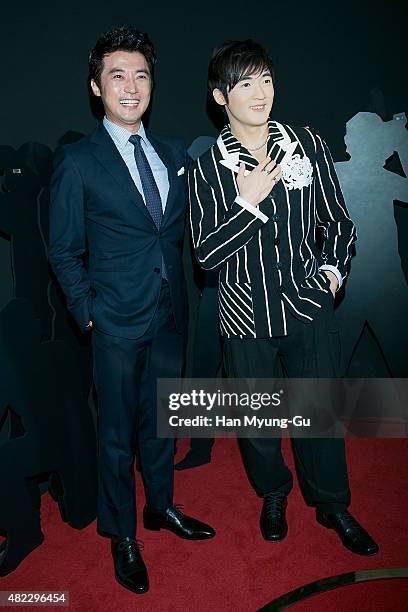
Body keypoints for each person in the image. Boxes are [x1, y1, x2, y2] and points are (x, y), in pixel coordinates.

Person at [189, 39, 378, 556]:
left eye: (265, 79)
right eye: (244, 83)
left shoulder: (307, 144)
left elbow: (339, 222)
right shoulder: (208, 167)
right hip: (244, 314)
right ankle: (274, 494)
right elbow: (205, 257)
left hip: (309, 306)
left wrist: (333, 275)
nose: (259, 92)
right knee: (258, 423)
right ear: (220, 96)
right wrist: (247, 203)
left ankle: (332, 504)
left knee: (319, 412)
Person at [49, 25, 215, 596]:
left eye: (141, 75)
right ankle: (121, 533)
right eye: (117, 75)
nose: (131, 86)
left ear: (152, 85)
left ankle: (161, 507)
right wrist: (88, 313)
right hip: (114, 322)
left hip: (171, 317)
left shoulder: (174, 155)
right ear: (97, 87)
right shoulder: (78, 161)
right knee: (117, 436)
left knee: (162, 425)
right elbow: (64, 249)